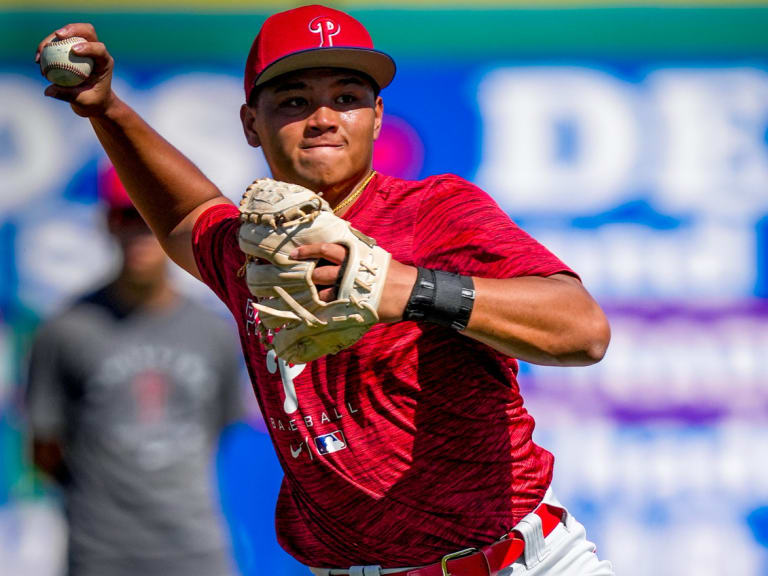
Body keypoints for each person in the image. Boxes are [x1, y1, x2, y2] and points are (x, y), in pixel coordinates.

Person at [37, 5, 613, 575]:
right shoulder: (254, 246)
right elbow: (187, 213)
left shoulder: (433, 212)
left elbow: (583, 331)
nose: (323, 117)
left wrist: (407, 288)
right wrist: (107, 109)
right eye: (294, 101)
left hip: (514, 564)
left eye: (346, 97)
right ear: (249, 123)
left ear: (377, 116)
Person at [24, 165, 244, 576]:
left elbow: (218, 430)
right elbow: (44, 451)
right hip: (101, 554)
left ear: (172, 226)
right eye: (128, 217)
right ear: (108, 222)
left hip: (196, 551)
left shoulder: (214, 331)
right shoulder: (64, 330)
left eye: (150, 219)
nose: (140, 233)